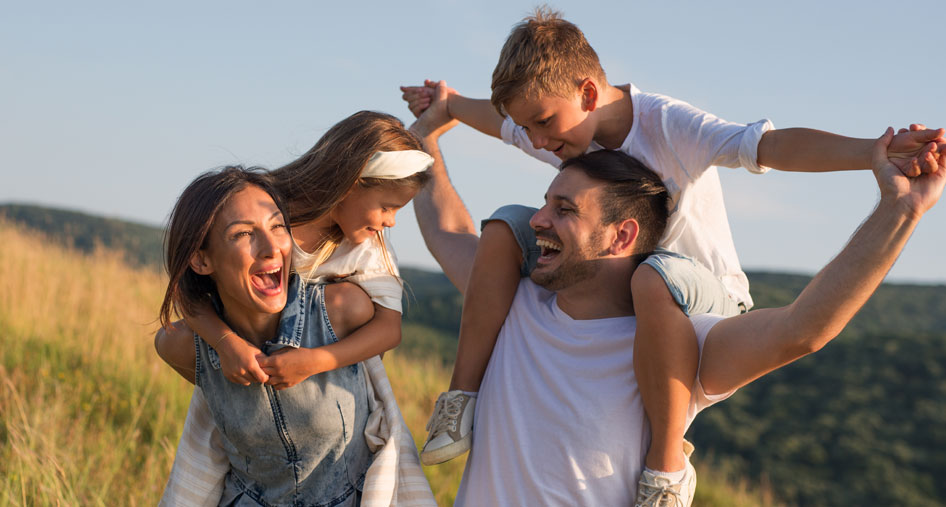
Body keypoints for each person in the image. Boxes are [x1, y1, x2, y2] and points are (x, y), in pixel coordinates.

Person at [399, 7, 946, 503]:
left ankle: (665, 470)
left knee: (654, 280)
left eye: (564, 208)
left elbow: (771, 149)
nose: (536, 141)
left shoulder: (668, 126)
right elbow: (481, 163)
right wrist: (441, 114)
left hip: (698, 297)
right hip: (643, 290)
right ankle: (460, 398)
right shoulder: (518, 300)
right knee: (506, 225)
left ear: (588, 93)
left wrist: (877, 157)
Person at [154, 167, 434, 506]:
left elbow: (389, 335)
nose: (271, 248)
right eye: (243, 233)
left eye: (277, 226)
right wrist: (226, 343)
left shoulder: (342, 312)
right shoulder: (182, 346)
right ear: (201, 259)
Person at [182, 111, 433, 391]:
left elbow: (389, 329)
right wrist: (226, 344)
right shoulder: (263, 207)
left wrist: (314, 362)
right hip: (245, 353)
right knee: (172, 339)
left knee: (353, 304)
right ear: (349, 185)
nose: (391, 221)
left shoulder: (368, 248)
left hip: (316, 376)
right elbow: (189, 291)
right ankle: (238, 402)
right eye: (386, 207)